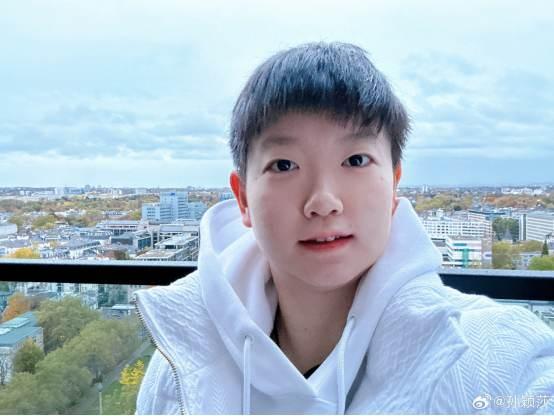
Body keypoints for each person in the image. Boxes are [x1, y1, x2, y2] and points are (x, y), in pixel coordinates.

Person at [134, 42, 554, 414]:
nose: (323, 201)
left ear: (394, 185)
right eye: (284, 165)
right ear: (243, 198)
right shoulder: (181, 367)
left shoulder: (492, 355)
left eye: (355, 160)